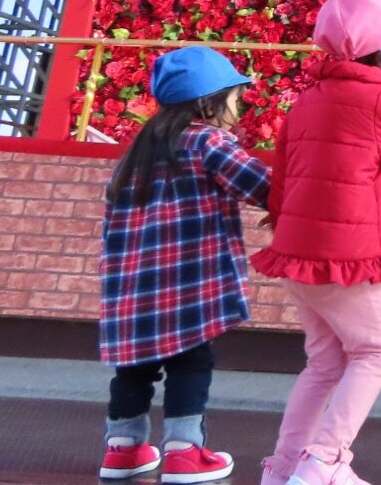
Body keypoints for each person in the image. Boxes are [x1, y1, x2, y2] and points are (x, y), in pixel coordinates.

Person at [253, 0, 381, 485]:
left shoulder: (308, 99)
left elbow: (282, 177)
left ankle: (286, 467)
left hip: (298, 253)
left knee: (324, 362)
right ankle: (325, 459)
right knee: (375, 352)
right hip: (350, 255)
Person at [99, 45, 271, 483]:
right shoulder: (208, 141)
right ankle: (184, 451)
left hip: (132, 287)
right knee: (191, 363)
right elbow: (261, 187)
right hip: (190, 284)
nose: (238, 107)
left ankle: (123, 449)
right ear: (207, 100)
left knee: (134, 368)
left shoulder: (137, 153)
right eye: (234, 97)